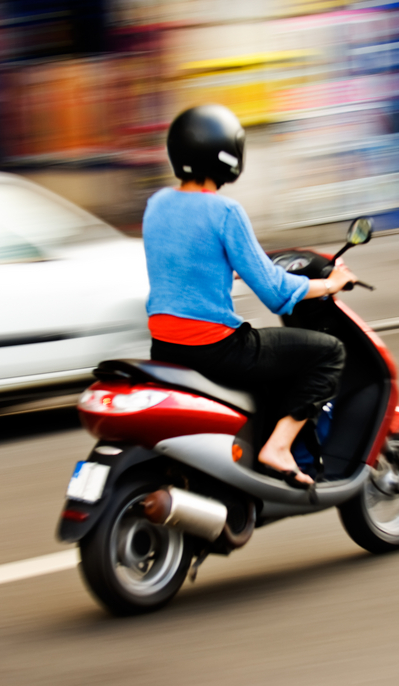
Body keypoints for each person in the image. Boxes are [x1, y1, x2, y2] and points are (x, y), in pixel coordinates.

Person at [143, 104, 358, 487]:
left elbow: (182, 260)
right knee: (329, 352)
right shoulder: (225, 211)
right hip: (216, 350)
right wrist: (331, 284)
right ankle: (277, 448)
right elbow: (275, 293)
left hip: (165, 348)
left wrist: (231, 264)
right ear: (227, 154)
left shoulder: (156, 204)